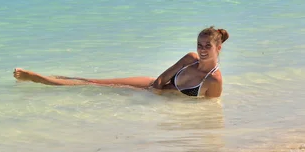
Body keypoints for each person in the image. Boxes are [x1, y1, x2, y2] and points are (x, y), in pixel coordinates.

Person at [13, 26, 228, 98]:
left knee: (96, 87)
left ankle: (43, 79)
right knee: (94, 82)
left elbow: (208, 112)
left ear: (218, 48)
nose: (201, 50)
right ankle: (42, 78)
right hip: (150, 86)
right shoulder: (190, 58)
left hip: (158, 97)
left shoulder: (214, 81)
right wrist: (155, 91)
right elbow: (163, 77)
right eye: (199, 44)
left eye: (207, 46)